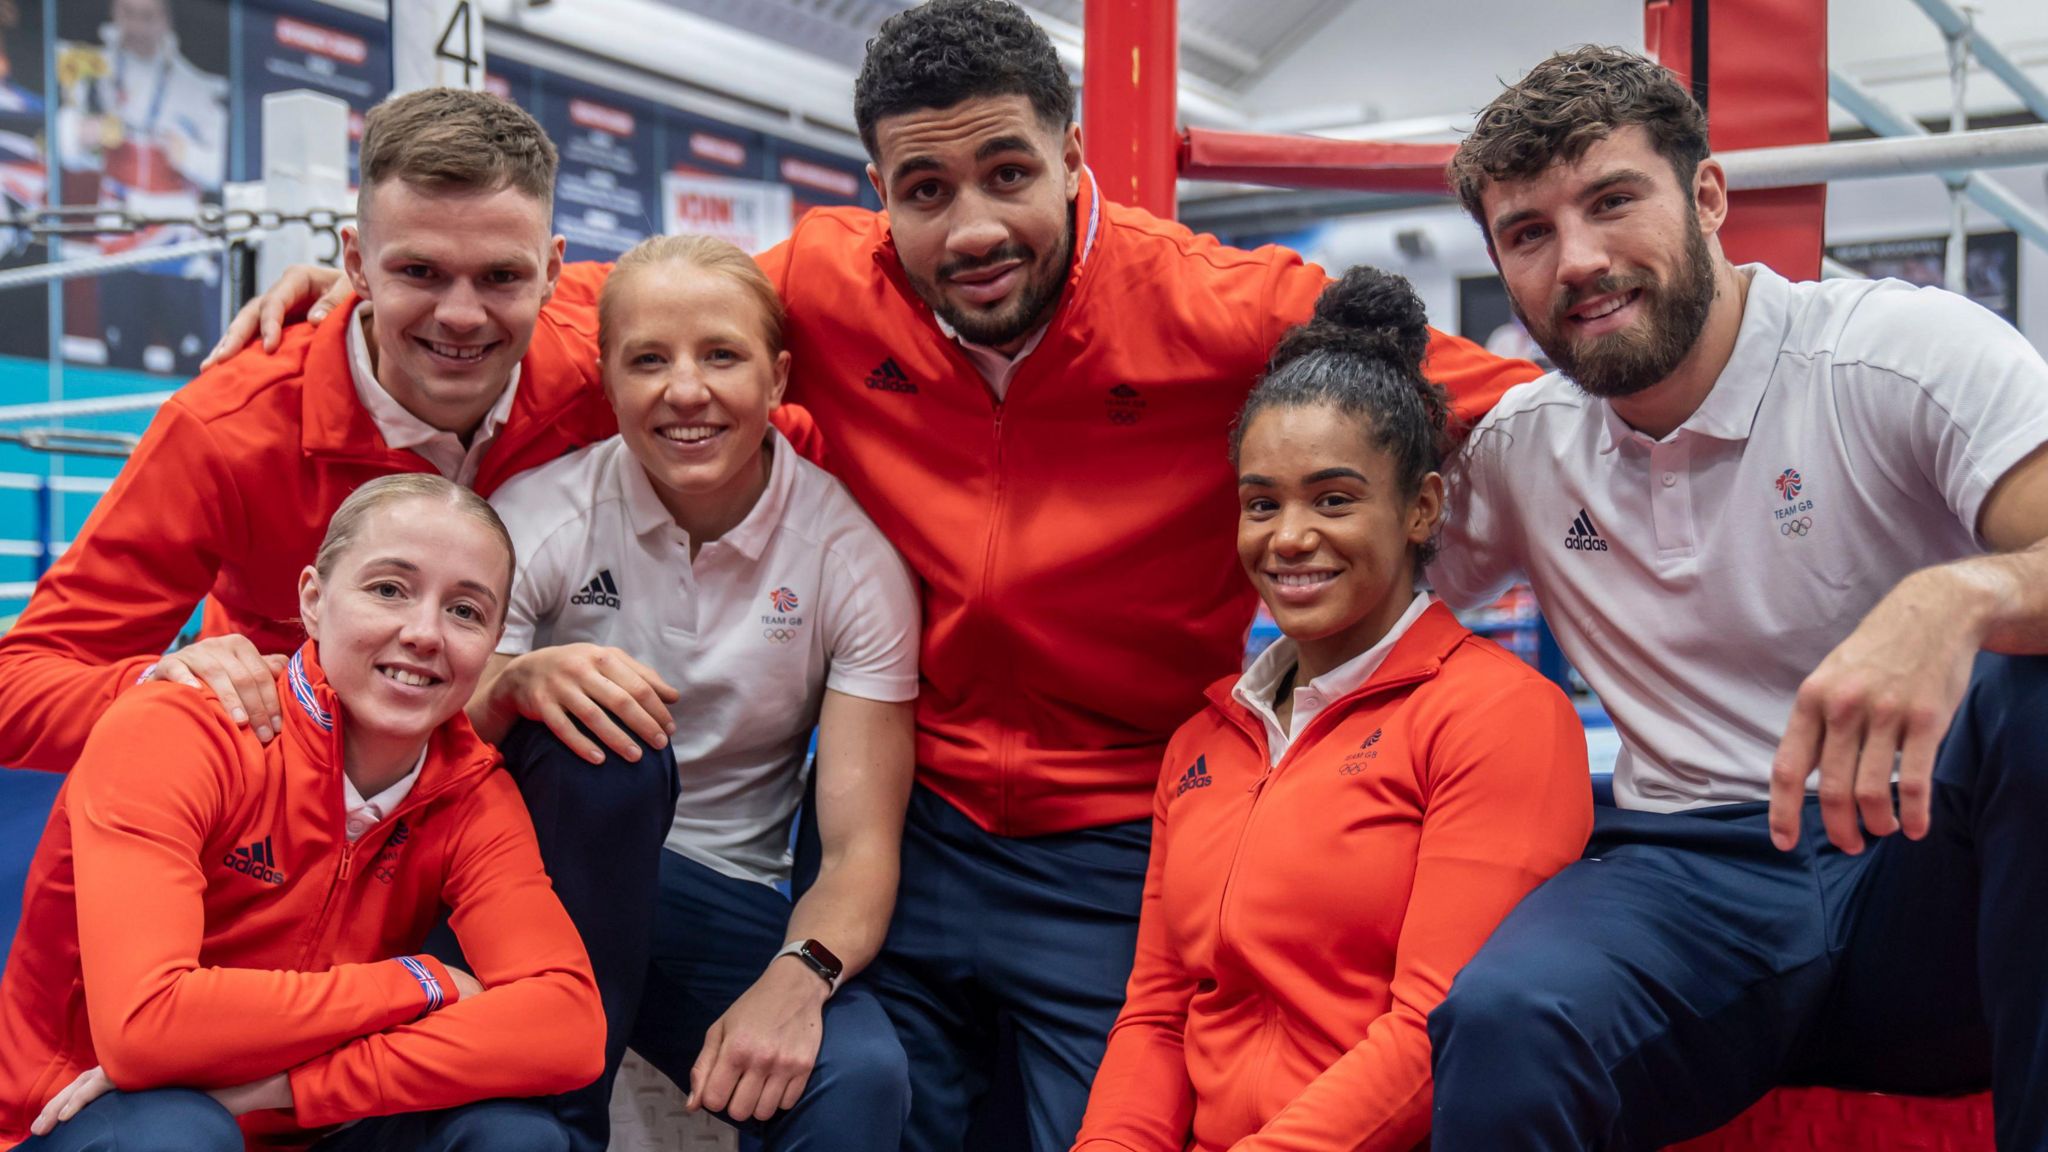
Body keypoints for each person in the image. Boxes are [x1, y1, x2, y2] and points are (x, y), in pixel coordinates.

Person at [215, 5, 1545, 1146]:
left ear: (1077, 157)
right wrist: (362, 310)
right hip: (925, 826)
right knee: (884, 1106)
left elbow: (1535, 419)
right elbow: (605, 310)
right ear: (877, 190)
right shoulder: (825, 289)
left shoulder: (1220, 303)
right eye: (924, 190)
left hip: (1126, 839)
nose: (971, 226)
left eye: (1009, 173)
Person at [1419, 46, 2048, 1151]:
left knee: (2033, 684)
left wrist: (1957, 598)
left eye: (1612, 201)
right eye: (1527, 234)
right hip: (1689, 881)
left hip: (1921, 872)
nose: (1578, 261)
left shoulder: (1893, 354)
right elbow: (1354, 613)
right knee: (1505, 1020)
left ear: (1707, 197)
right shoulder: (1521, 449)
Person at [1071, 269, 1590, 1152]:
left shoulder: (1499, 718)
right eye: (1261, 503)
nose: (1289, 536)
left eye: (1335, 499)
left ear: (1421, 507)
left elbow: (1435, 1031)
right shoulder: (1205, 741)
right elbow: (1158, 1016)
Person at [0, 473, 605, 1152]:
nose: (424, 633)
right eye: (388, 590)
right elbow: (146, 1026)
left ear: (493, 642)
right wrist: (419, 980)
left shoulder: (471, 792)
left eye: (466, 611)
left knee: (515, 1136)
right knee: (181, 1132)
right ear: (313, 601)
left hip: (306, 1126)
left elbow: (569, 1028)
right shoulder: (181, 727)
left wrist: (285, 1091)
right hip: (92, 1117)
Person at [473, 234, 917, 1150]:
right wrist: (516, 680)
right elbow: (432, 733)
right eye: (649, 360)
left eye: (721, 355)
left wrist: (800, 975)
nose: (685, 391)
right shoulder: (538, 515)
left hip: (718, 894)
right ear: (606, 380)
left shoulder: (851, 560)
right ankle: (560, 1122)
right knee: (595, 752)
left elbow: (859, 849)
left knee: (860, 1074)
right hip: (539, 881)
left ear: (778, 376)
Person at [54, 0, 228, 373]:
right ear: (115, 15)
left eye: (147, 17)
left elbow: (223, 169)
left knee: (192, 361)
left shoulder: (194, 86)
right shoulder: (93, 72)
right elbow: (61, 149)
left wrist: (186, 156)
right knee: (121, 355)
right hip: (120, 242)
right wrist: (83, 134)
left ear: (165, 20)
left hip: (177, 247)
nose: (137, 26)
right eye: (128, 15)